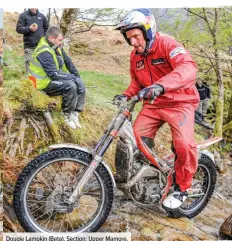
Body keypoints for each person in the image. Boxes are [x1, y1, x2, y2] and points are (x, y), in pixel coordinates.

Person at [114, 8, 200, 209]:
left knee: (184, 144)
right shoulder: (135, 56)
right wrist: (126, 94)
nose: (133, 42)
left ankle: (182, 188)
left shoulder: (168, 45)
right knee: (134, 140)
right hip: (154, 105)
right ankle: (150, 177)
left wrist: (161, 86)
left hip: (180, 103)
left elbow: (188, 68)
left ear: (148, 30)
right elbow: (137, 82)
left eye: (136, 36)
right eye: (129, 39)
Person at [28, 26, 85, 129]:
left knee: (79, 82)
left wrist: (77, 76)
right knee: (70, 86)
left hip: (50, 78)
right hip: (41, 83)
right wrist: (72, 78)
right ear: (51, 38)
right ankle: (66, 115)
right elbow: (53, 74)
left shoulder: (55, 46)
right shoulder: (44, 51)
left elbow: (68, 62)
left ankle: (75, 114)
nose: (60, 43)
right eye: (59, 40)